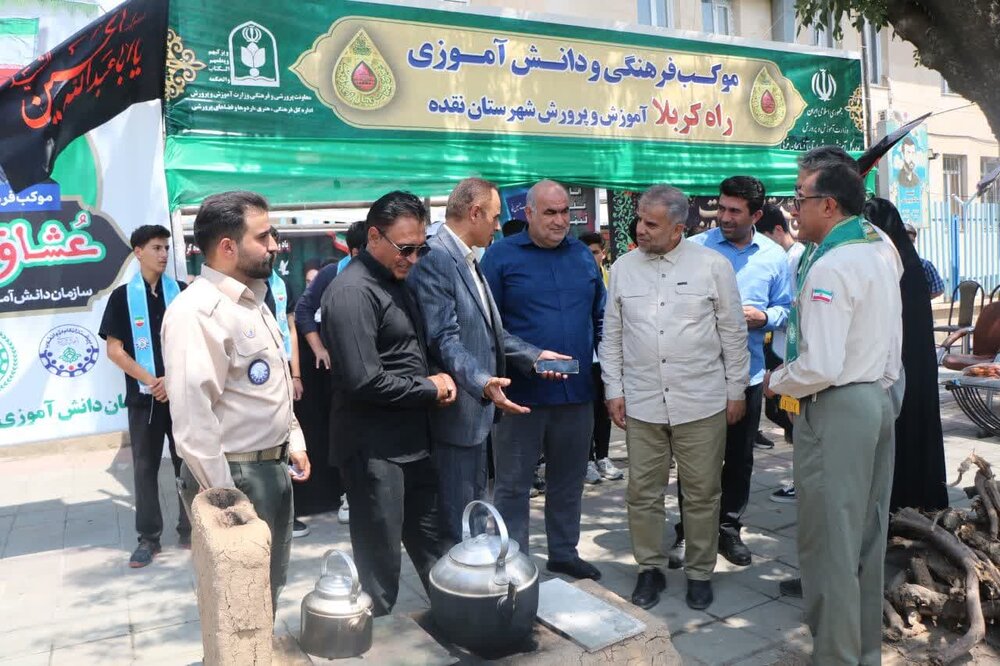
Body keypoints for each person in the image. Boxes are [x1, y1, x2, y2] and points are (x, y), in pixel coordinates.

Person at [764, 146, 902, 665]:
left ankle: (836, 656)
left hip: (836, 404)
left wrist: (778, 382)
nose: (792, 209)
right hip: (875, 399)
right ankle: (863, 651)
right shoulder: (879, 246)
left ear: (829, 204)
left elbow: (819, 365)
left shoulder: (831, 265)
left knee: (830, 544)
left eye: (799, 197)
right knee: (866, 538)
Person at [601, 184, 749, 611]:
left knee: (702, 492)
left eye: (651, 223)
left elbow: (733, 333)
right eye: (640, 220)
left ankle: (700, 572)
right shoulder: (624, 268)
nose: (640, 229)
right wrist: (614, 389)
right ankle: (649, 567)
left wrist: (736, 390)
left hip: (701, 401)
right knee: (642, 492)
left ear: (678, 228)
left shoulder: (712, 266)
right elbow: (612, 334)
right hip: (643, 402)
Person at [163, 190, 312, 612]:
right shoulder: (197, 312)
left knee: (268, 588)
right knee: (240, 600)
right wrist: (225, 501)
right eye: (263, 237)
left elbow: (268, 382)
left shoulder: (255, 299)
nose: (274, 246)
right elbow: (193, 419)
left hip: (271, 468)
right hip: (235, 476)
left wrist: (293, 439)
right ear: (228, 247)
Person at [407, 177, 569, 546]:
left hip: (475, 415)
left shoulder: (466, 257)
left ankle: (476, 575)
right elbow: (444, 338)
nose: (498, 226)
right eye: (495, 217)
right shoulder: (438, 258)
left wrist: (534, 356)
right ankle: (460, 581)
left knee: (473, 514)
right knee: (459, 524)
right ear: (475, 213)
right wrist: (482, 381)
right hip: (457, 413)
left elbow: (487, 331)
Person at [321, 191, 455, 616]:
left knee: (435, 548)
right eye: (405, 249)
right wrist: (429, 389)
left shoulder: (397, 282)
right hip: (374, 452)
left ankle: (459, 624)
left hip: (414, 442)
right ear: (374, 236)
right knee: (380, 565)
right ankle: (378, 638)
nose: (413, 259)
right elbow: (364, 380)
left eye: (420, 249)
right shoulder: (351, 293)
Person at [481, 179, 605, 581]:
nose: (559, 221)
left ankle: (564, 553)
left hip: (576, 393)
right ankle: (513, 561)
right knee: (513, 486)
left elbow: (601, 316)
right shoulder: (500, 257)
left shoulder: (582, 256)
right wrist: (530, 357)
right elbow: (485, 327)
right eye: (550, 212)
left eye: (565, 212)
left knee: (568, 481)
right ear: (529, 213)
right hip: (521, 396)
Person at [675, 177, 790, 568]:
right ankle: (690, 530)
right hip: (698, 374)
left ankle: (728, 528)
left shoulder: (774, 257)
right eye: (721, 208)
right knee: (695, 458)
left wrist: (765, 317)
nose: (723, 217)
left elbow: (787, 308)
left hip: (748, 376)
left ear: (756, 215)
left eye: (734, 211)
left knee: (739, 459)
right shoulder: (694, 249)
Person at [99, 224, 191, 568]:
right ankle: (149, 539)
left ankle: (191, 528)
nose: (164, 254)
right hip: (144, 399)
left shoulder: (182, 293)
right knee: (145, 468)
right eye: (156, 248)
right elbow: (114, 350)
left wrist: (172, 380)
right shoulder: (122, 297)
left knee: (188, 463)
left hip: (182, 395)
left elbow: (194, 343)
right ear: (138, 252)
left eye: (166, 248)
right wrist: (153, 381)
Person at [868, 200, 949, 512]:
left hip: (892, 366)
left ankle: (896, 503)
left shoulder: (887, 266)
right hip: (917, 366)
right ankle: (922, 500)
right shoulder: (911, 265)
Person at [294, 220, 368, 525]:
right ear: (355, 251)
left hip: (373, 369)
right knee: (343, 432)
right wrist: (319, 348)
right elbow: (302, 311)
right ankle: (347, 494)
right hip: (337, 373)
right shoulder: (331, 274)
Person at [755, 204, 805, 502]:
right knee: (787, 415)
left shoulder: (796, 258)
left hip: (792, 354)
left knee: (794, 417)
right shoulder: (786, 258)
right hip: (781, 349)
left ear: (776, 230)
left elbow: (795, 308)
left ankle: (802, 481)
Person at [579, 231, 622, 483]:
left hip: (605, 357)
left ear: (603, 254)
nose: (591, 257)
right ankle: (585, 459)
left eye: (595, 252)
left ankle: (603, 456)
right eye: (586, 253)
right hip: (584, 357)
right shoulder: (576, 280)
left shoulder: (613, 278)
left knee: (604, 409)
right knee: (586, 411)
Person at [904, 223, 945, 299]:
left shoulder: (925, 265)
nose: (909, 244)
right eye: (905, 241)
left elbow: (939, 289)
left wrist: (921, 300)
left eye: (911, 241)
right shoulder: (890, 266)